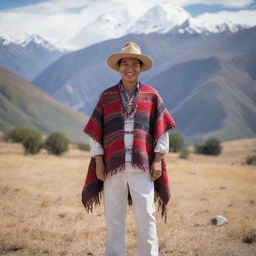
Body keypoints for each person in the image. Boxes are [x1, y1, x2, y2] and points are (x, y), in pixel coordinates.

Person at [82, 42, 176, 256]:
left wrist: (158, 159)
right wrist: (98, 161)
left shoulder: (152, 96)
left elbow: (162, 131)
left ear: (141, 68)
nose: (130, 68)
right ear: (119, 67)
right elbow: (97, 131)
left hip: (143, 167)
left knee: (147, 218)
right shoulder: (106, 97)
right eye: (125, 63)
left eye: (135, 64)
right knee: (114, 219)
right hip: (112, 168)